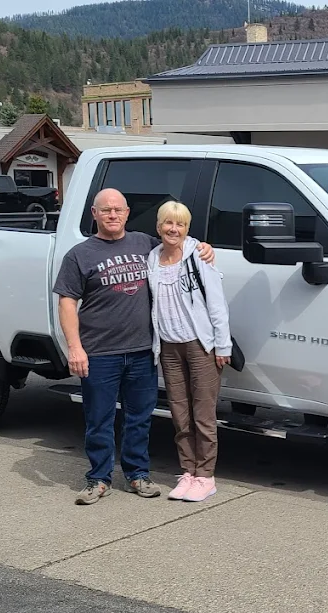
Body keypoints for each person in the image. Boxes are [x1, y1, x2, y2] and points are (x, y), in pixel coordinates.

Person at [53, 188, 215, 506]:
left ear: (127, 213)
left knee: (138, 418)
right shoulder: (79, 254)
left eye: (118, 210)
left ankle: (137, 475)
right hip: (99, 352)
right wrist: (75, 347)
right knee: (98, 419)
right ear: (94, 214)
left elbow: (176, 243)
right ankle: (98, 479)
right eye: (106, 210)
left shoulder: (145, 243)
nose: (112, 215)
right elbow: (67, 302)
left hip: (143, 350)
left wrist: (202, 247)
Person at [147, 201, 231, 503]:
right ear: (158, 227)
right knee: (180, 414)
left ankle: (206, 477)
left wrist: (223, 345)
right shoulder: (152, 259)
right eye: (168, 223)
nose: (173, 229)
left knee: (203, 415)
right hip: (169, 346)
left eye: (180, 224)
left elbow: (217, 304)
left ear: (187, 228)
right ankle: (188, 472)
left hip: (200, 345)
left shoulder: (198, 256)